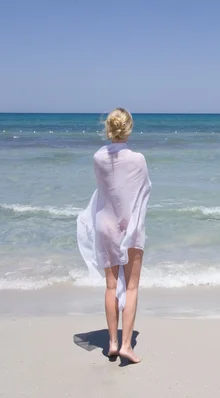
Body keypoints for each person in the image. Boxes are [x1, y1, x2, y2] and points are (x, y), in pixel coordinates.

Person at [77, 108, 151, 364]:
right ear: (128, 128)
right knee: (131, 286)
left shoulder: (98, 157)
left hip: (104, 224)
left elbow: (106, 191)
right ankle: (126, 346)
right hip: (129, 226)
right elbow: (140, 195)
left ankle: (111, 343)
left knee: (110, 285)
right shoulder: (138, 159)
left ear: (109, 128)